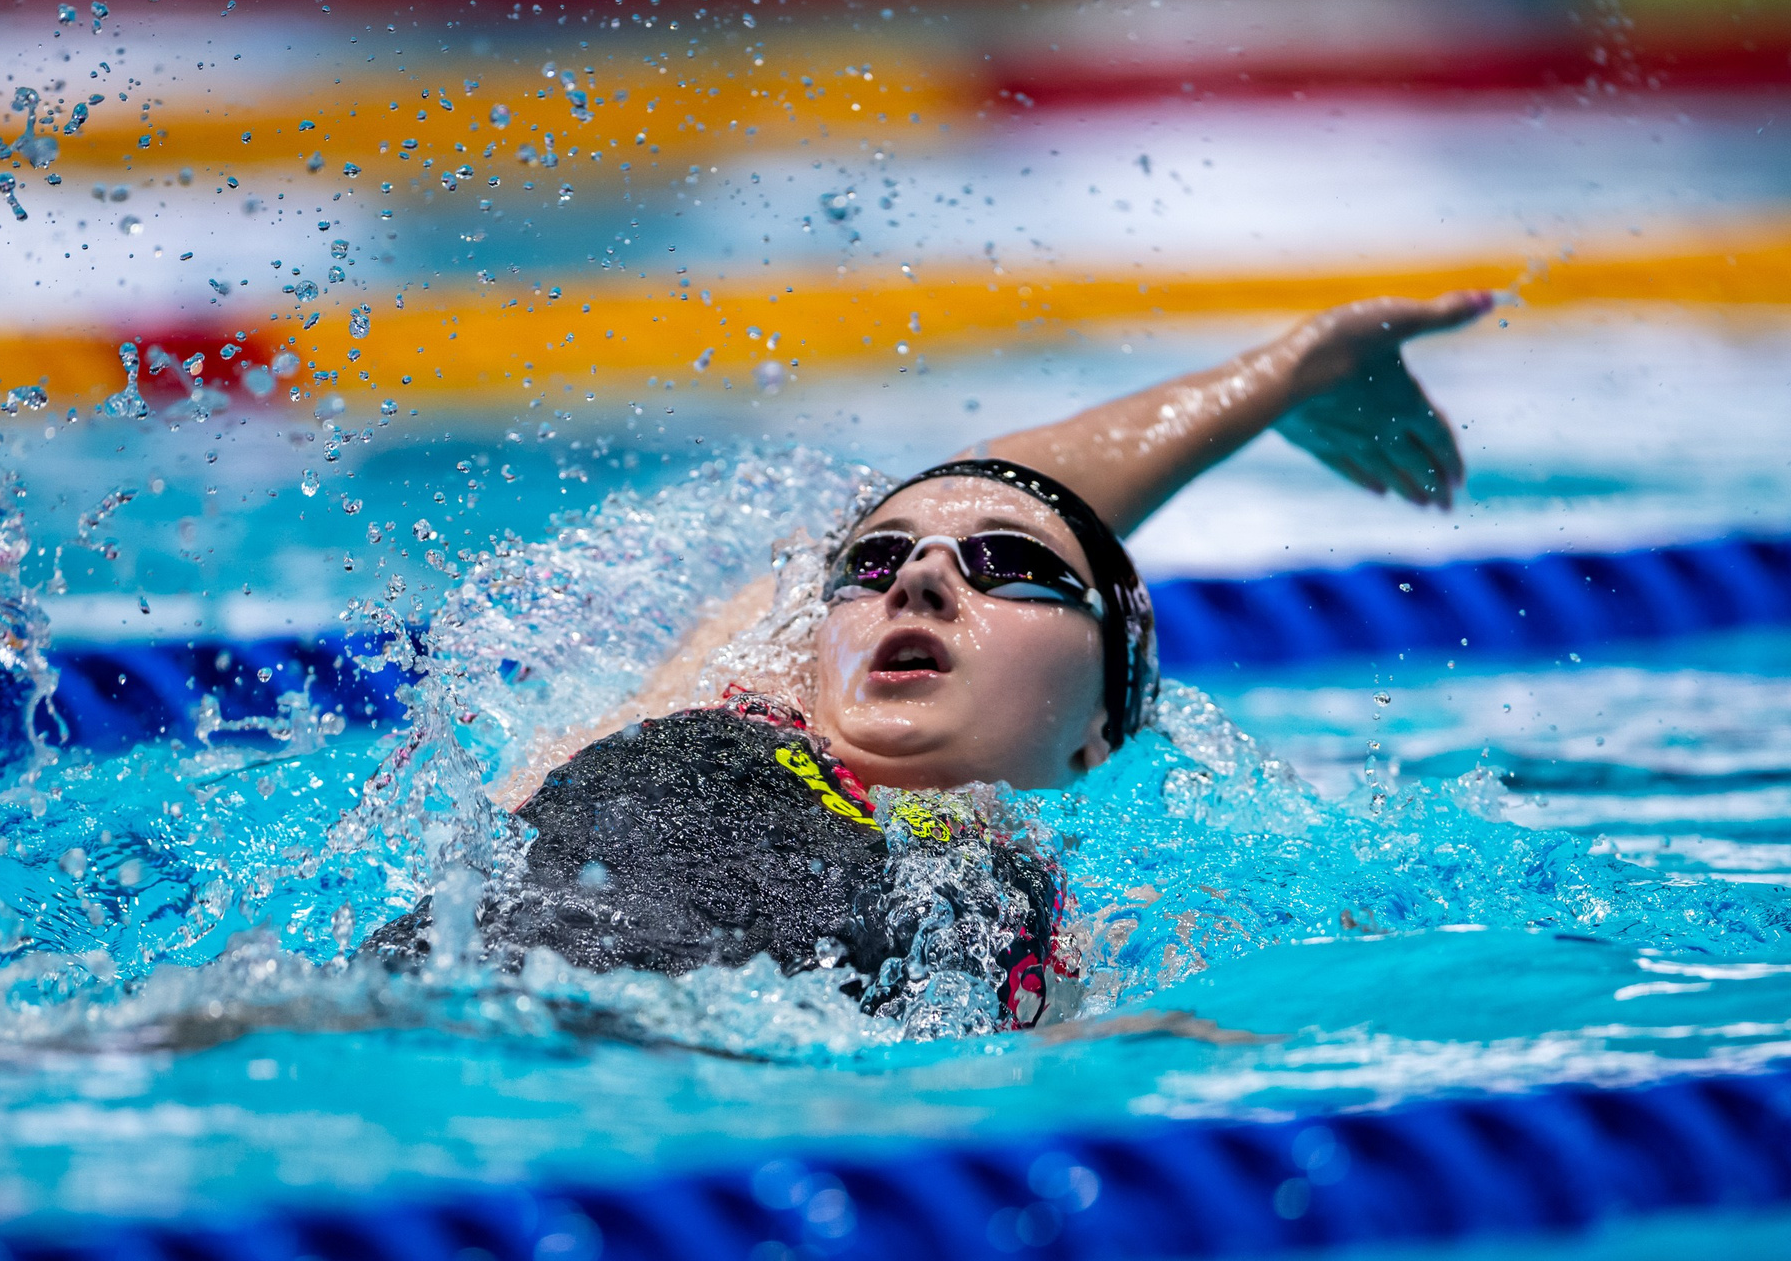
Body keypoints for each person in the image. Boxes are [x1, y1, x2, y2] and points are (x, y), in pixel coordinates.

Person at [367, 290, 1492, 1030]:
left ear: (1104, 725)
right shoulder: (715, 714)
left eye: (1009, 566)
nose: (917, 578)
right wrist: (1282, 375)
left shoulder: (1072, 929)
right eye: (874, 564)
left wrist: (1295, 369)